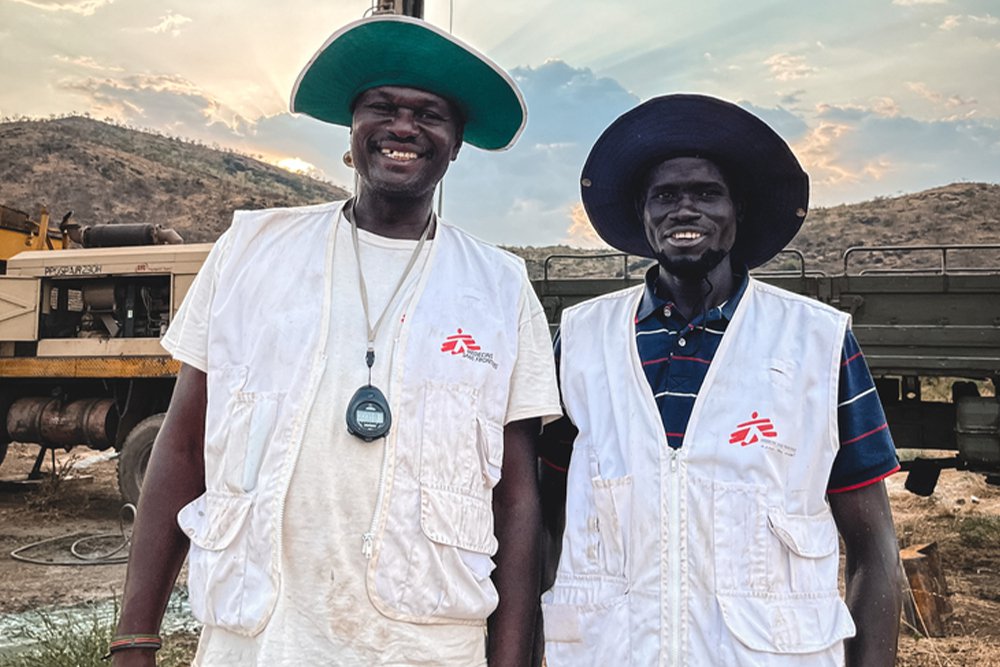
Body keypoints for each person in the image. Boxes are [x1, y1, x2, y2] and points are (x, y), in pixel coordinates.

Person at [111, 14, 560, 667]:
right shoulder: (249, 252)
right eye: (382, 106)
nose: (403, 125)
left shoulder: (499, 284)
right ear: (352, 132)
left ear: (456, 144)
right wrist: (134, 636)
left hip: (425, 645)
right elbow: (181, 443)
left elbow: (518, 498)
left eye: (430, 114)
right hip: (258, 641)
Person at [538, 94, 902, 666]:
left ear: (738, 211)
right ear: (643, 215)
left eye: (707, 193)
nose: (685, 209)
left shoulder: (817, 342)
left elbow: (874, 548)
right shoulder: (581, 341)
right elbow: (545, 523)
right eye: (665, 196)